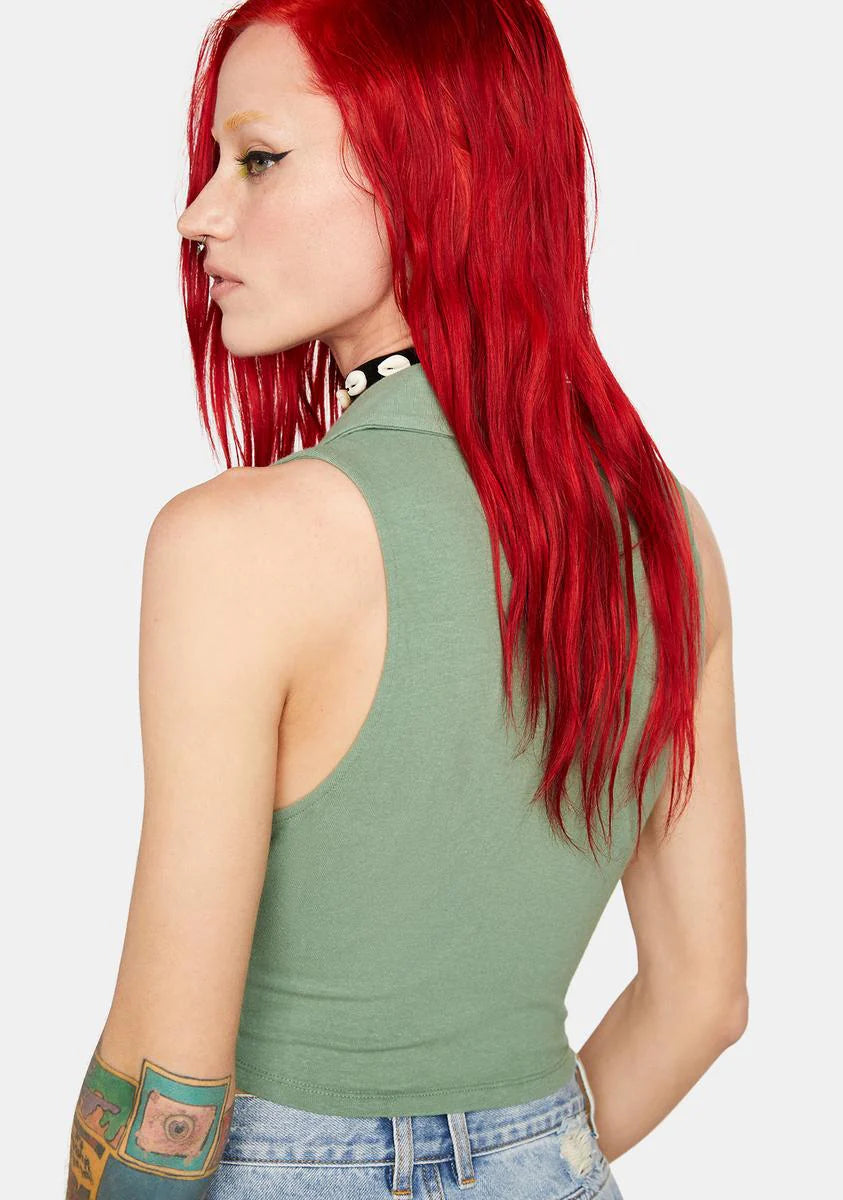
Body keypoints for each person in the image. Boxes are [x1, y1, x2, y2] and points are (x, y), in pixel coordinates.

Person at [64, 3, 747, 1198]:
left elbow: (169, 1082)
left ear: (439, 167)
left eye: (259, 158)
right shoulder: (666, 533)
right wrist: (512, 1158)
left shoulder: (237, 543)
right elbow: (703, 1001)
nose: (198, 214)